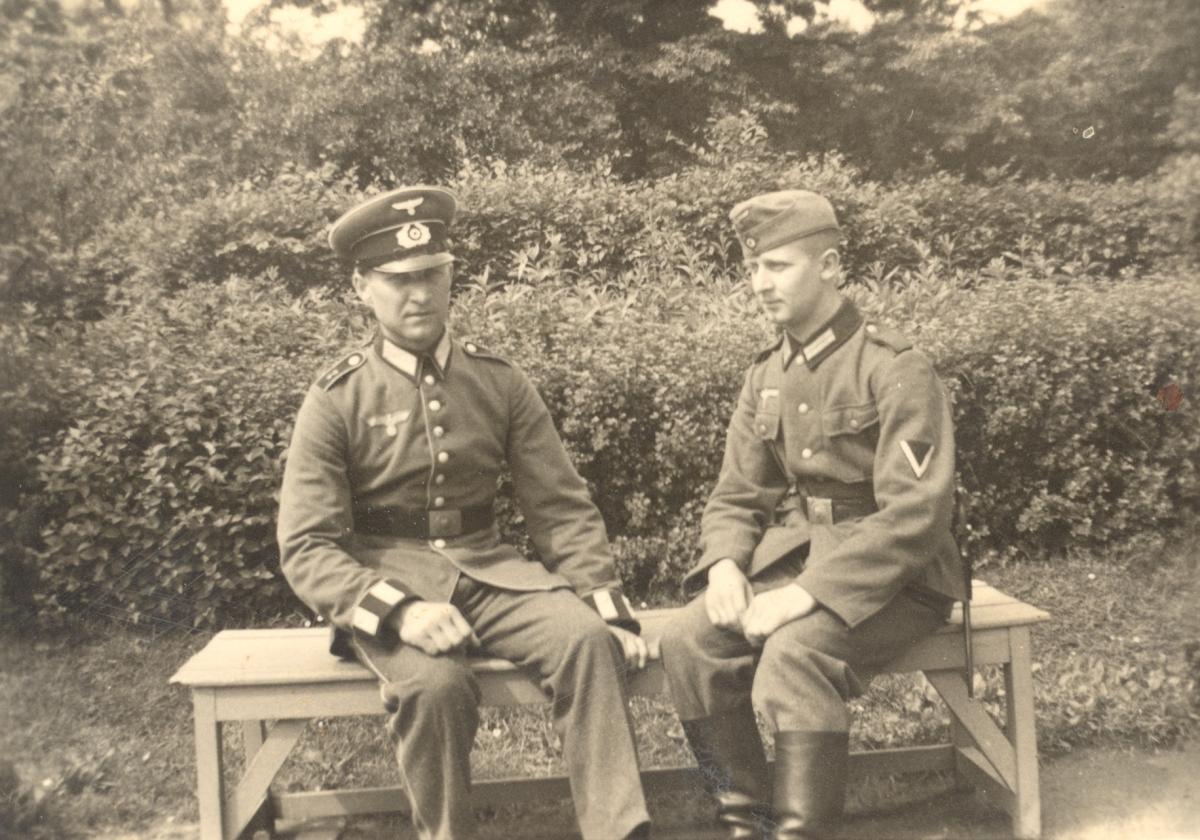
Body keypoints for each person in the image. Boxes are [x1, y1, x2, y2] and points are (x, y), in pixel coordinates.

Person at [277, 186, 651, 840]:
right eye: (398, 280)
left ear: (450, 277)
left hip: (493, 571)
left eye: (432, 275)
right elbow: (306, 545)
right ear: (363, 287)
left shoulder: (498, 380)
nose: (419, 293)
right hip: (391, 582)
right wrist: (399, 610)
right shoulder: (336, 397)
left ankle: (621, 832)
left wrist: (606, 605)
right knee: (433, 686)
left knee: (589, 644)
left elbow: (559, 508)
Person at [660, 190, 966, 839]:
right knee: (689, 641)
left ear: (829, 266)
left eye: (778, 266)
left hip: (903, 579)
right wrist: (722, 567)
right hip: (807, 561)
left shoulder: (894, 367)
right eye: (753, 269)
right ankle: (747, 817)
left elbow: (916, 514)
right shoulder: (766, 374)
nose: (760, 284)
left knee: (794, 654)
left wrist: (802, 596)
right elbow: (737, 494)